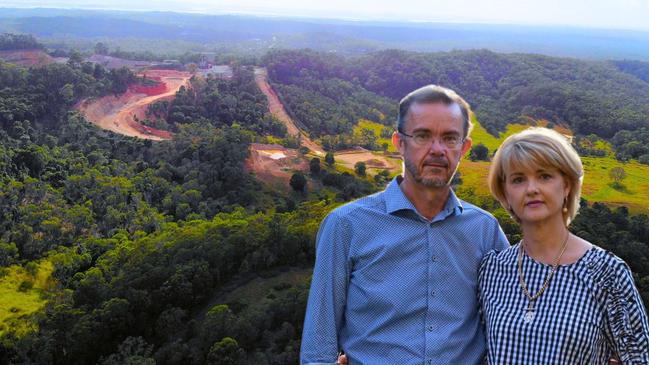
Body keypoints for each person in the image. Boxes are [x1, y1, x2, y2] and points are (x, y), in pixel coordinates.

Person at [300, 85, 509, 365]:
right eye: (423, 136)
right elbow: (318, 344)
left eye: (450, 138)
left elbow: (512, 323)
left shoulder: (484, 230)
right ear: (399, 142)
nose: (437, 150)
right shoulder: (346, 226)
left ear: (464, 148)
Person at [480, 127, 649, 364]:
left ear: (567, 185)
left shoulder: (607, 274)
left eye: (544, 176)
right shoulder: (492, 270)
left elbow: (640, 358)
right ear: (506, 193)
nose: (532, 189)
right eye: (518, 179)